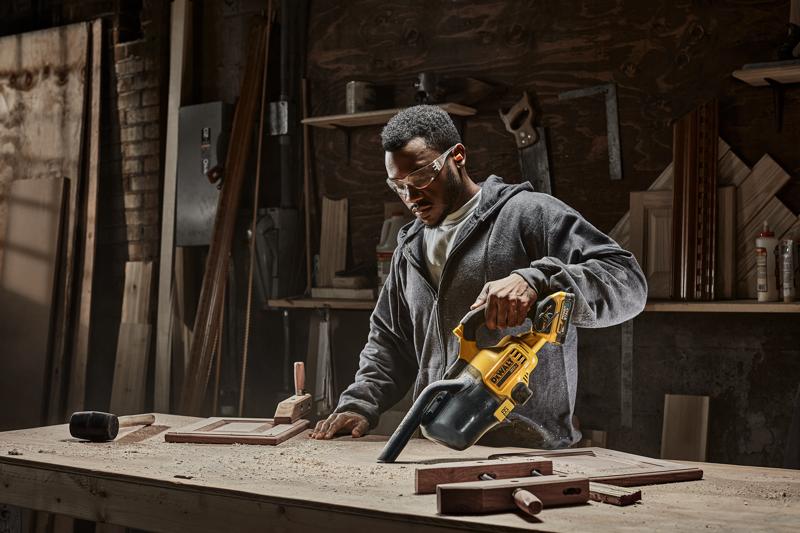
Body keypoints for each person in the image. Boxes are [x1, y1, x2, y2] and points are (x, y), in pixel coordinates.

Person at [310, 105, 647, 448]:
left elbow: (628, 282)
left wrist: (538, 279)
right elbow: (389, 341)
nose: (411, 198)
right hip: (435, 445)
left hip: (530, 450)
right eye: (398, 186)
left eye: (421, 177)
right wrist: (360, 404)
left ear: (457, 156)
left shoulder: (528, 214)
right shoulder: (409, 248)